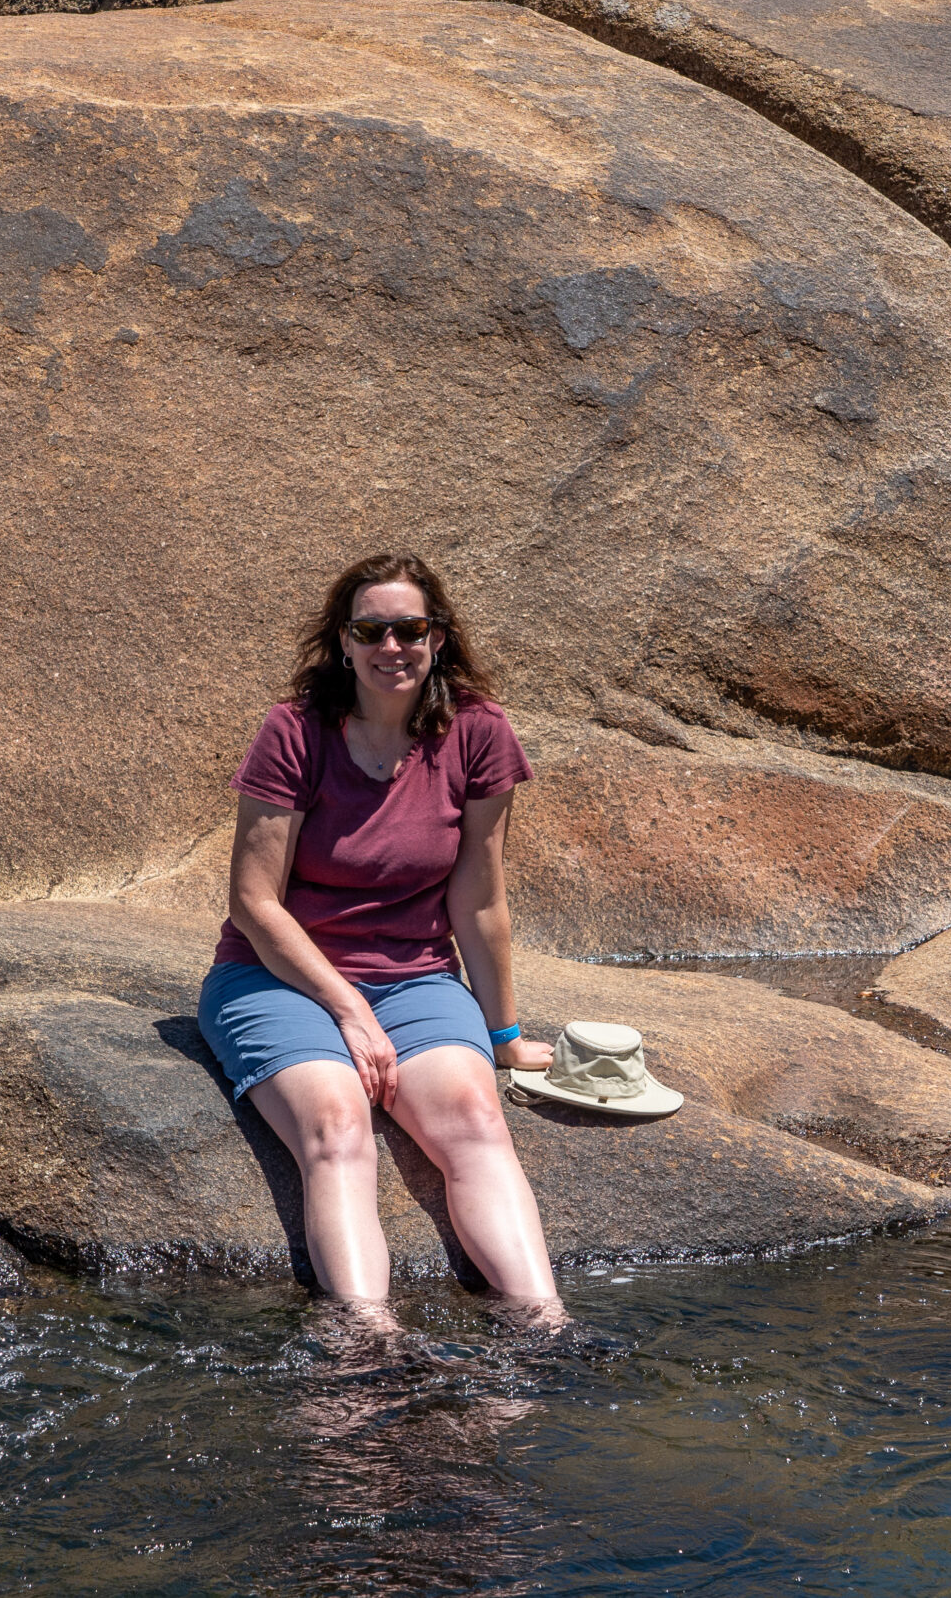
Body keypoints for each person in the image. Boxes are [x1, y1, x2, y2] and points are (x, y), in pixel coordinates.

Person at [199, 552, 564, 1331]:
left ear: (438, 639)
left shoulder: (477, 730)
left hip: (417, 978)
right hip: (278, 976)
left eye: (410, 629)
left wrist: (505, 1035)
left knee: (472, 1118)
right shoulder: (295, 729)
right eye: (371, 629)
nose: (390, 647)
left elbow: (479, 898)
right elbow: (254, 902)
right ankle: (366, 1338)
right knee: (337, 1124)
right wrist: (347, 1011)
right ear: (343, 641)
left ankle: (542, 1323)